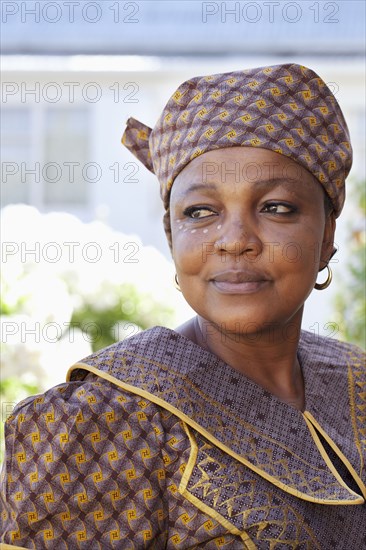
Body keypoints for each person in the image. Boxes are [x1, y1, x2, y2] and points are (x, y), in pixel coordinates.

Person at [1, 63, 365, 549]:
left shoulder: (355, 383)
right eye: (200, 212)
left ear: (326, 237)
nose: (235, 241)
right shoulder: (102, 424)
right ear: (173, 238)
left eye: (276, 207)